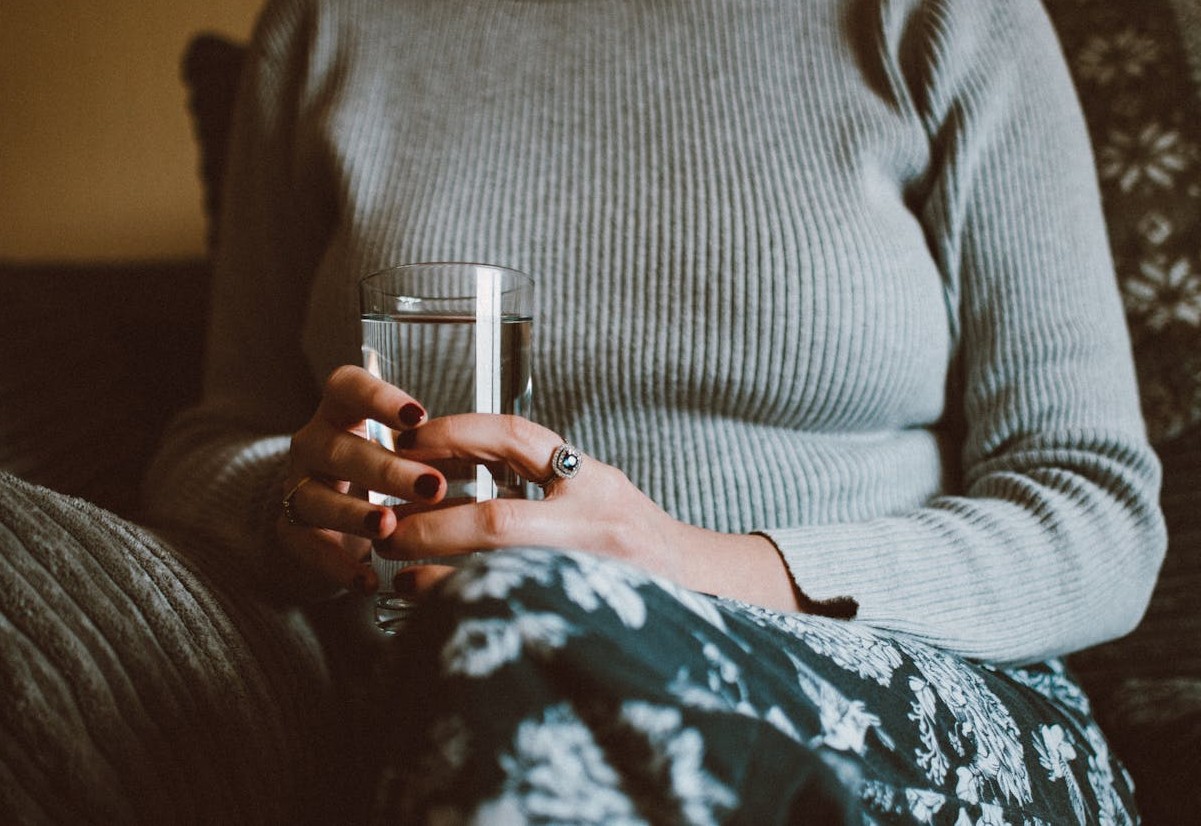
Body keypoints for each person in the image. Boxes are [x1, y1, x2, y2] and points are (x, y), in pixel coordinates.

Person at [22, 0, 1163, 822]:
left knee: (527, 622)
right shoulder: (328, 26)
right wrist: (292, 495)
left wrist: (688, 564)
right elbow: (211, 438)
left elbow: (1094, 508)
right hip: (439, 653)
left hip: (902, 678)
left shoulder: (942, 18)